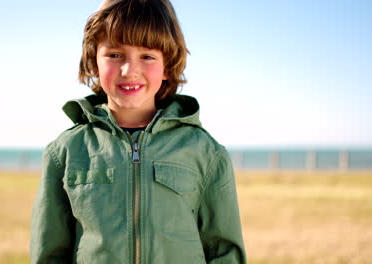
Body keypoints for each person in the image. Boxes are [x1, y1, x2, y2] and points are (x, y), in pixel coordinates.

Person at [30, 0, 246, 263]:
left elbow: (225, 253)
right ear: (93, 60)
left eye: (147, 56)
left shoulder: (206, 152)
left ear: (167, 65)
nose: (129, 70)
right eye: (114, 54)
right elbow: (49, 254)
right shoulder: (64, 151)